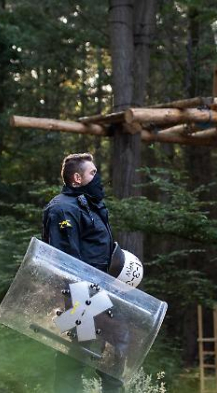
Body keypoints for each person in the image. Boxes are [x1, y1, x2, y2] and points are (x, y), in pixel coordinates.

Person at [42, 153, 122, 393]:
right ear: (77, 178)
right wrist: (84, 301)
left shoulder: (87, 204)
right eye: (93, 173)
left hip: (99, 291)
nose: (98, 178)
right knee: (89, 360)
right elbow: (67, 262)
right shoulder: (63, 209)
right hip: (82, 296)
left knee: (100, 358)